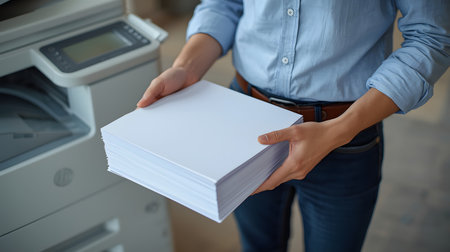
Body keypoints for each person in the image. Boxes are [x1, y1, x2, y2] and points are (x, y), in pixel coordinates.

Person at [137, 1, 450, 251]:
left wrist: (340, 130)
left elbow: (431, 36)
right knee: (257, 245)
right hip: (244, 121)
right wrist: (184, 69)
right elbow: (224, 4)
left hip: (344, 136)